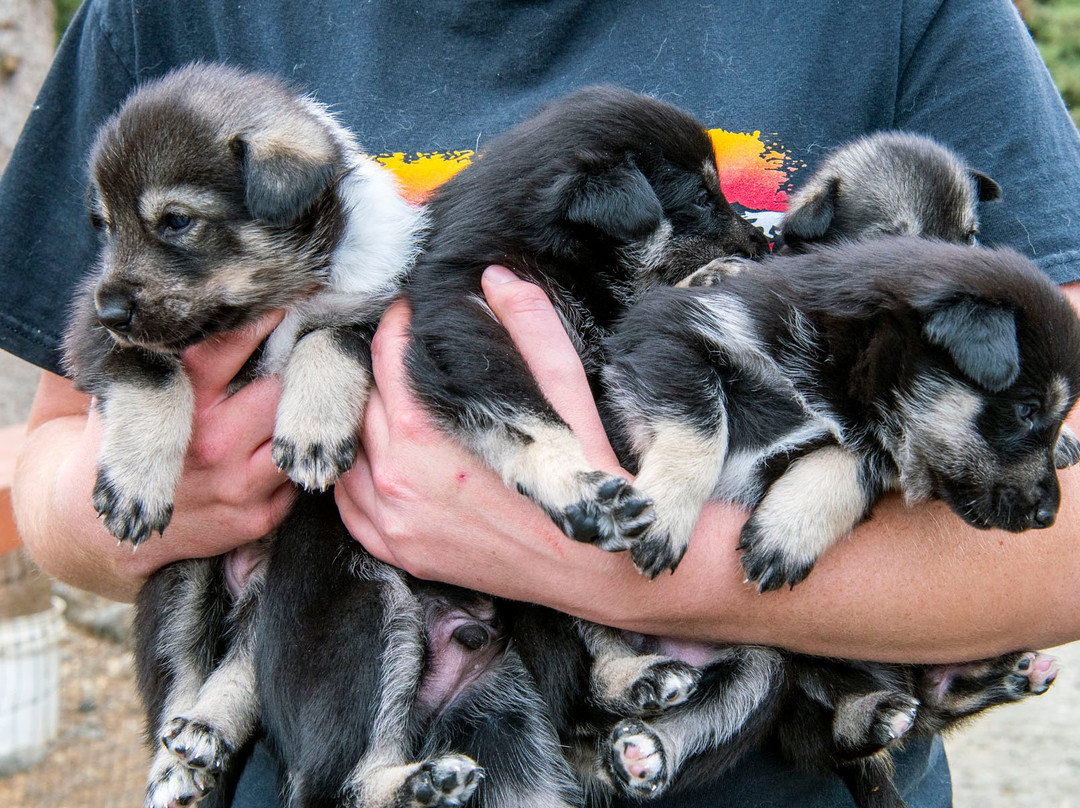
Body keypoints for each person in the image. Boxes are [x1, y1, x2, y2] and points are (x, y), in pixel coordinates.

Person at [2, 0, 1079, 805]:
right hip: (327, 724)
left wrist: (644, 574)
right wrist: (168, 490)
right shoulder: (162, 20)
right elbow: (52, 463)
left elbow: (1062, 533)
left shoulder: (902, 17)